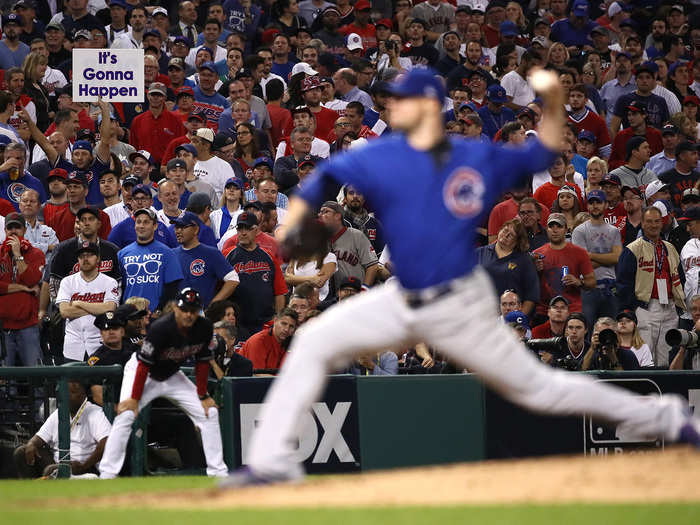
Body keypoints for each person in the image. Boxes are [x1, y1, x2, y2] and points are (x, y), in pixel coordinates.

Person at [220, 69, 700, 487]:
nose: (392, 104)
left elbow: (545, 152)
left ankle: (661, 415)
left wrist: (553, 104)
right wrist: (296, 219)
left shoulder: (477, 156)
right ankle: (273, 462)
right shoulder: (381, 154)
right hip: (400, 297)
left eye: (402, 98)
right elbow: (322, 180)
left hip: (459, 305)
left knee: (539, 388)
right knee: (313, 342)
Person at [99, 288, 228, 479]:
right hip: (143, 372)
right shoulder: (161, 328)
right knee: (126, 415)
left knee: (210, 412)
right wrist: (134, 399)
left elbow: (202, 362)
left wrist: (203, 395)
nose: (189, 314)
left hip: (171, 375)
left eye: (193, 310)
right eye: (185, 309)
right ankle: (107, 474)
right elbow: (144, 365)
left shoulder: (204, 328)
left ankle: (218, 473)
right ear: (176, 308)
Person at [616, 206, 685, 367]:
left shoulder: (670, 248)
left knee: (666, 356)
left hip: (669, 306)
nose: (653, 225)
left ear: (662, 223)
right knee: (644, 354)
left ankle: (665, 390)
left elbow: (680, 277)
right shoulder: (632, 249)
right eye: (649, 221)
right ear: (642, 223)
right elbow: (623, 283)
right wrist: (633, 308)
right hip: (645, 307)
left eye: (657, 221)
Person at [13, 380, 110, 478]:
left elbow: (105, 442)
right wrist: (31, 444)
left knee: (52, 470)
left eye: (72, 392)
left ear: (83, 394)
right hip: (58, 462)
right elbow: (39, 437)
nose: (67, 396)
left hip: (83, 466)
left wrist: (84, 465)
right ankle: (31, 491)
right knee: (21, 452)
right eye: (65, 393)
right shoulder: (59, 412)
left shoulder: (95, 412)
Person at [56, 241, 120, 362]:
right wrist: (98, 309)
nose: (85, 259)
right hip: (72, 347)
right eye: (81, 256)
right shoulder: (67, 281)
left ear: (98, 258)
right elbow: (65, 312)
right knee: (73, 381)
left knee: (97, 381)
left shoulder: (109, 282)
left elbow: (110, 308)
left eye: (90, 255)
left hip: (99, 345)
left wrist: (79, 303)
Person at [225, 211, 287, 335]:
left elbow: (279, 292)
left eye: (248, 228)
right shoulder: (227, 255)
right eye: (240, 228)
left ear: (256, 230)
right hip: (237, 323)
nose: (243, 232)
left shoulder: (268, 256)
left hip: (265, 321)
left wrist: (278, 318)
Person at [571, 190, 622, 329]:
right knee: (586, 332)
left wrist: (591, 255)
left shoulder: (613, 231)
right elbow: (581, 264)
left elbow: (617, 258)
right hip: (589, 289)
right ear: (587, 206)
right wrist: (608, 257)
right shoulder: (579, 231)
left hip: (610, 289)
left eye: (598, 202)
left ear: (605, 204)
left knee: (611, 333)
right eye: (591, 203)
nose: (595, 206)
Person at [117, 208, 183, 313]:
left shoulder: (167, 253)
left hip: (154, 315)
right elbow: (119, 287)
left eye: (146, 222)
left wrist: (160, 310)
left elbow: (172, 287)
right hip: (129, 315)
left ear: (155, 226)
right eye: (138, 222)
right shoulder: (122, 254)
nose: (141, 226)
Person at [0, 212, 44, 366]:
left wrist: (18, 254)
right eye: (9, 228)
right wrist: (22, 288)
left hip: (28, 326)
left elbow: (32, 279)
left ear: (24, 230)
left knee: (36, 376)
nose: (13, 231)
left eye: (16, 227)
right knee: (5, 380)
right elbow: (27, 283)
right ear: (5, 231)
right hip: (2, 327)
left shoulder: (35, 254)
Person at [172, 211, 239, 307]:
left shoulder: (211, 253)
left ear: (196, 229)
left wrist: (213, 305)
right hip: (178, 314)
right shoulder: (171, 254)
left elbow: (233, 279)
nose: (178, 231)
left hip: (201, 315)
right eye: (176, 227)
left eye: (183, 227)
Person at [476, 219, 539, 316]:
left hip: (510, 315)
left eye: (511, 235)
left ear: (517, 241)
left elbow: (531, 296)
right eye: (505, 231)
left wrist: (518, 320)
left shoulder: (524, 260)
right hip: (481, 313)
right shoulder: (479, 253)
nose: (506, 236)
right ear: (500, 230)